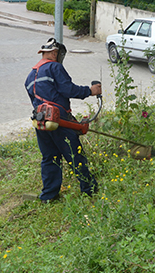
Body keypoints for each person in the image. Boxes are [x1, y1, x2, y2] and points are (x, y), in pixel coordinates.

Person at [24, 38, 101, 203]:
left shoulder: (30, 76)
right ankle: (90, 190)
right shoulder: (54, 67)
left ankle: (48, 196)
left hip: (41, 121)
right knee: (74, 154)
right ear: (54, 53)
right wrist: (90, 91)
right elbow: (68, 89)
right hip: (58, 119)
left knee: (49, 157)